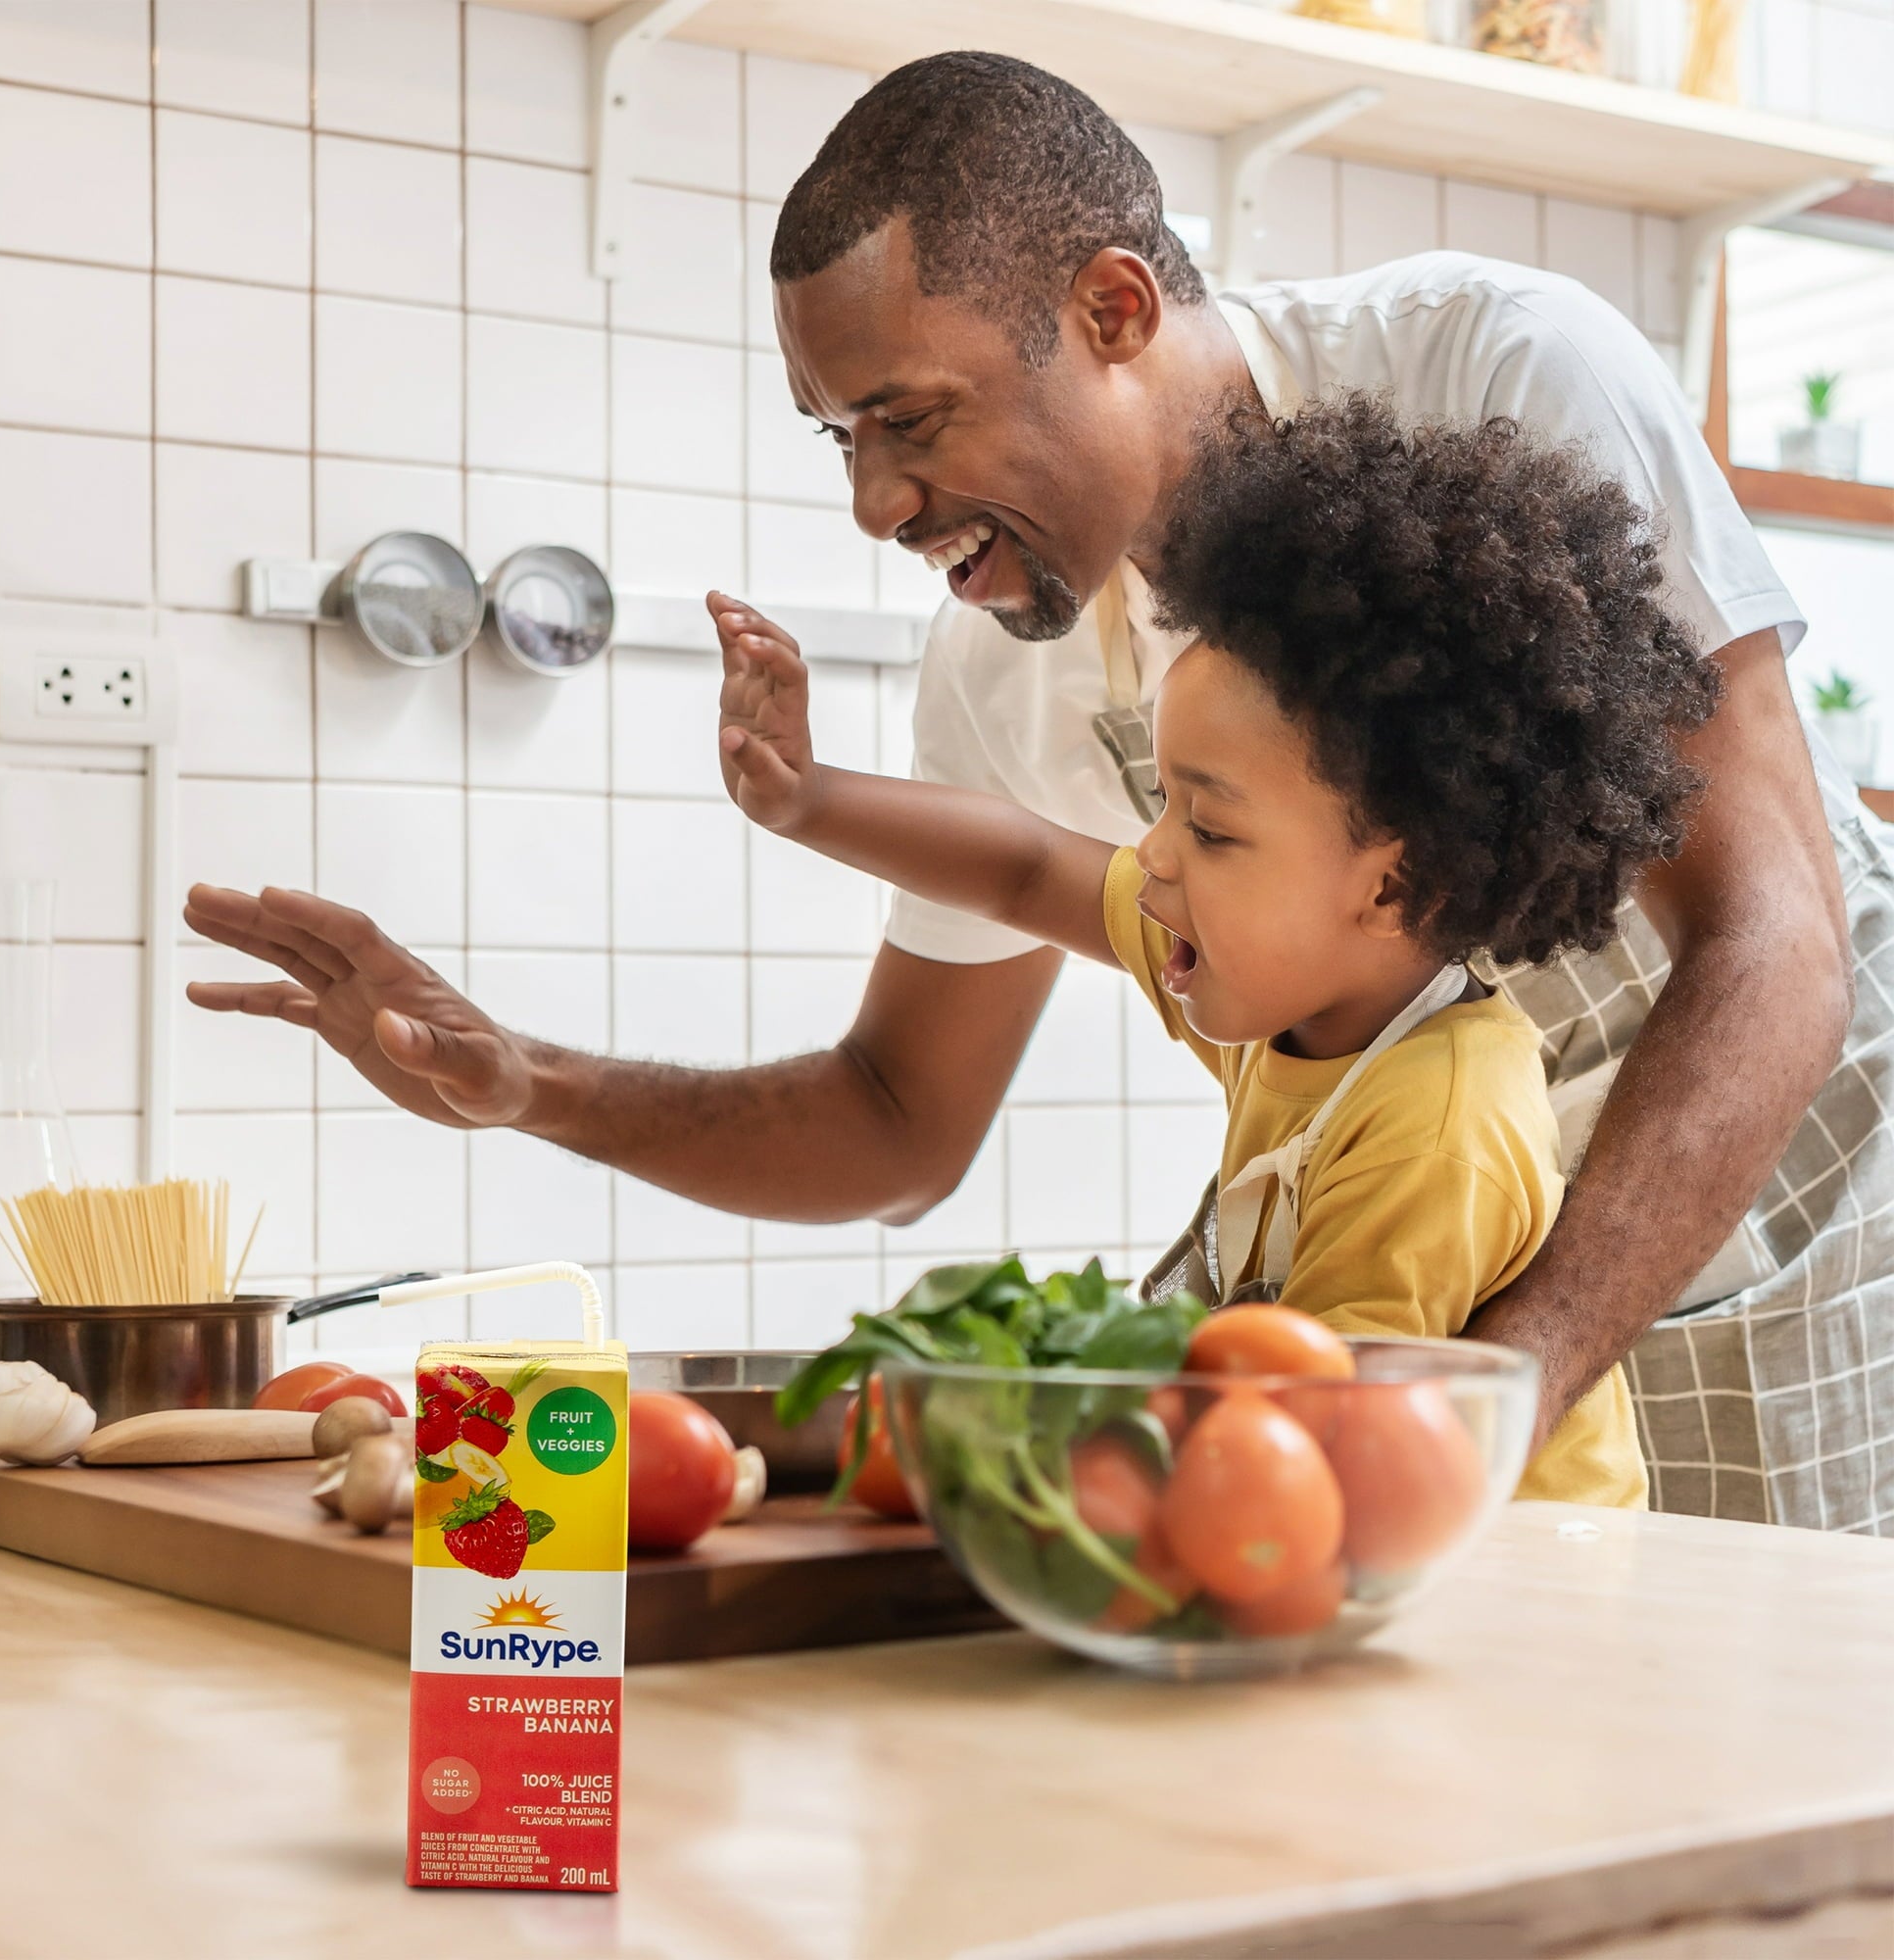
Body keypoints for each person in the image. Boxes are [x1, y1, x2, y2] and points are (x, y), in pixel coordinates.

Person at [186, 53, 1868, 1509]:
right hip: (1440, 1336)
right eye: (839, 437)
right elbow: (898, 1119)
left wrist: (1517, 1378)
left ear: (1115, 311)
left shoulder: (1499, 372)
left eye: (911, 419)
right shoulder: (1002, 657)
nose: (872, 504)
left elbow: (1771, 942)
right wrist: (519, 1078)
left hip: (1784, 1219)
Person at [714, 394, 1720, 1506]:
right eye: (1163, 801)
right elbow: (1022, 869)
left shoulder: (1436, 1127)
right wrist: (807, 800)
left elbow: (1319, 1460)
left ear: (1389, 886)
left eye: (1208, 825)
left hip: (1521, 1600)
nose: (1149, 852)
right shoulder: (1298, 985)